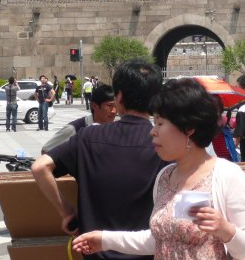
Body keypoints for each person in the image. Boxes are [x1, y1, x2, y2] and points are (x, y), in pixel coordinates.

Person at [72, 77, 245, 260]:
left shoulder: (228, 175)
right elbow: (160, 239)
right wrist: (104, 240)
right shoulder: (165, 176)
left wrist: (225, 230)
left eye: (160, 123)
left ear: (189, 128)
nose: (152, 131)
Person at [32, 60, 165, 260]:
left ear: (119, 97)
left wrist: (67, 212)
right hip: (147, 253)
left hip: (95, 253)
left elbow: (40, 167)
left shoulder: (88, 137)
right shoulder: (164, 143)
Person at [41, 84, 117, 154]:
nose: (114, 111)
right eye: (109, 106)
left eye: (116, 106)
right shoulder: (74, 129)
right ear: (94, 106)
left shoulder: (116, 129)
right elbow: (46, 151)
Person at [210, 95, 239, 162]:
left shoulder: (224, 122)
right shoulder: (204, 125)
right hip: (214, 160)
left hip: (228, 159)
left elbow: (231, 147)